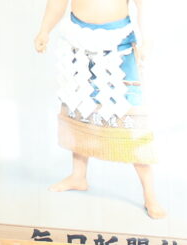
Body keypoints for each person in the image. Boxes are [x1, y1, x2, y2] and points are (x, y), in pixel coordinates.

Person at [34, 0, 165, 219]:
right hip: (77, 42)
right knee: (79, 107)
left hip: (118, 44)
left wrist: (147, 41)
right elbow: (57, 3)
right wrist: (44, 30)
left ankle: (150, 195)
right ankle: (78, 176)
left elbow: (144, 6)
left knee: (130, 117)